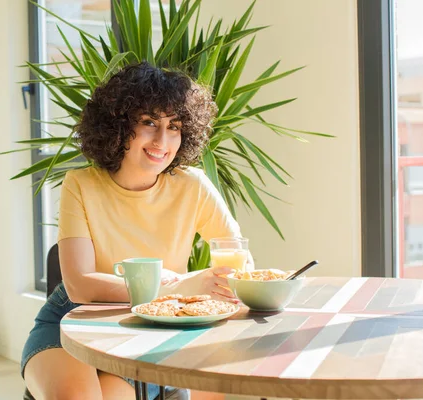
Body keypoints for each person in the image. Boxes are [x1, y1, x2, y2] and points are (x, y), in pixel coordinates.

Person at [21, 62, 254, 400]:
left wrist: (204, 285)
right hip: (69, 321)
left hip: (149, 328)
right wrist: (180, 287)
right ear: (117, 126)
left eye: (174, 126)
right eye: (148, 123)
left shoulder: (193, 186)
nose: (163, 140)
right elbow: (80, 284)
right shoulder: (81, 183)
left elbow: (239, 263)